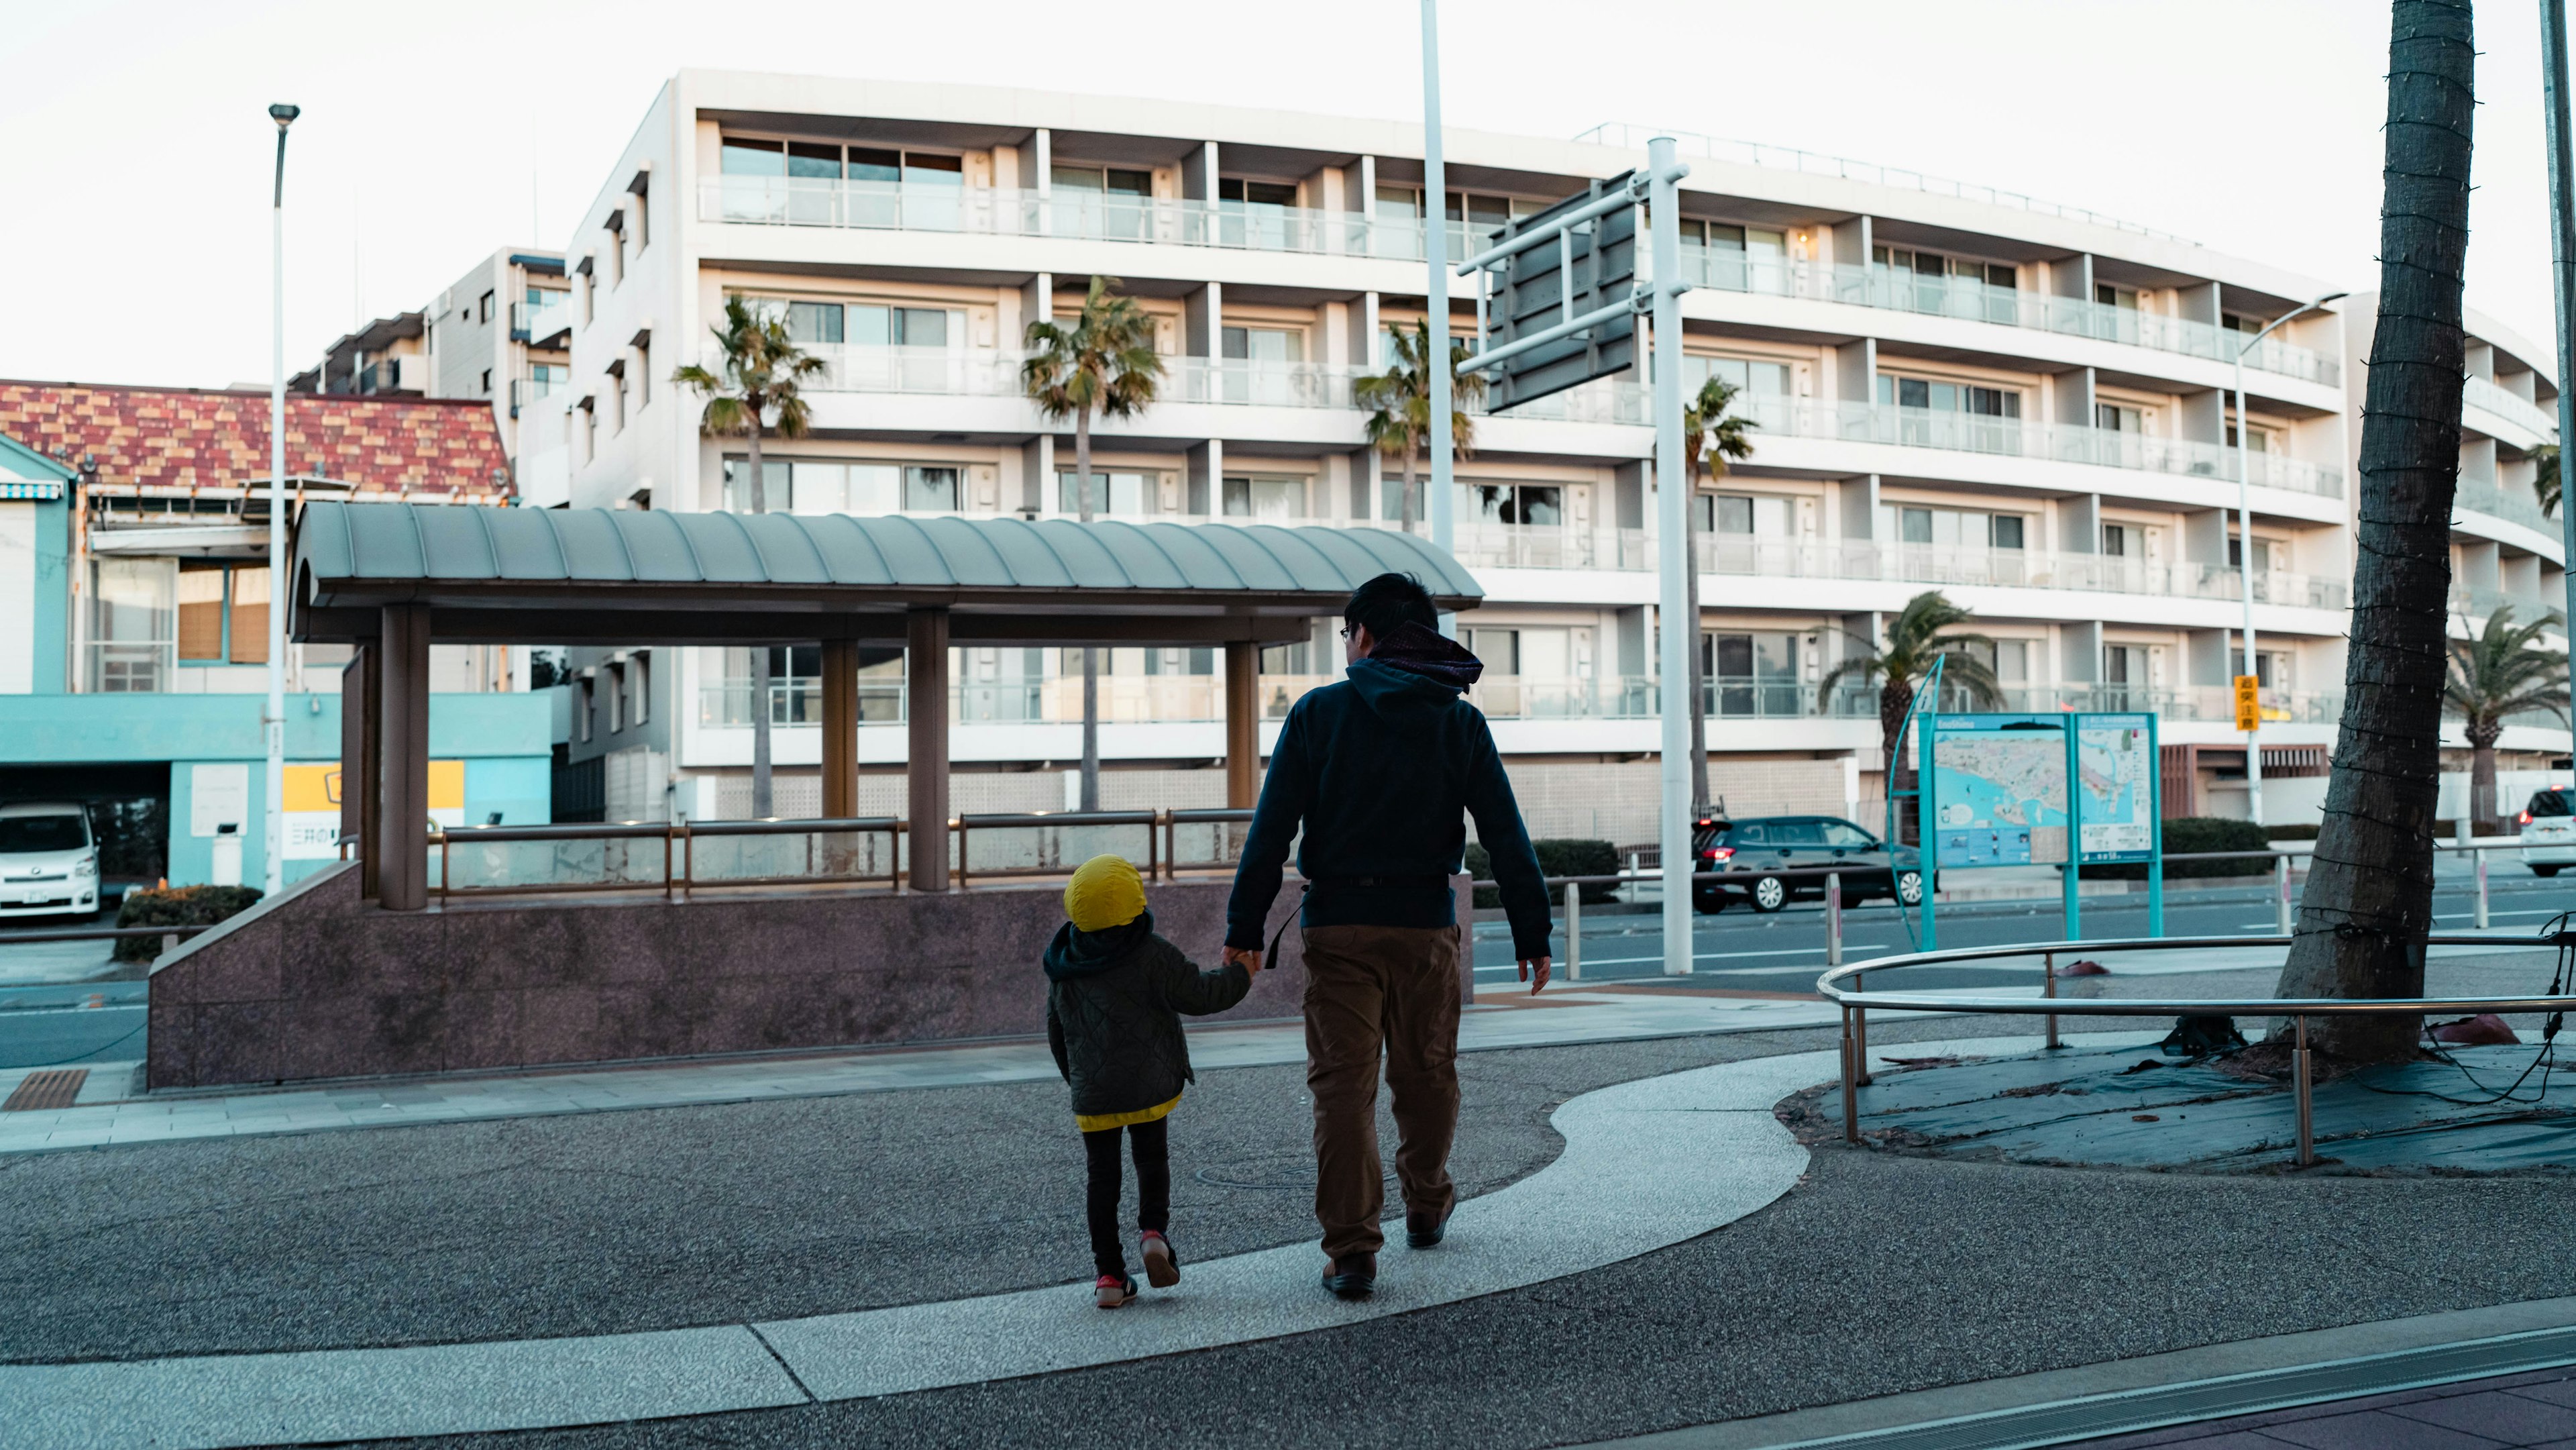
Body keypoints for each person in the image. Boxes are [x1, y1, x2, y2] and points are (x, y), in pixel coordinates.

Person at [1224, 572, 1552, 1301]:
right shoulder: (1457, 720)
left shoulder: (1318, 713)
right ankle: (1427, 1200)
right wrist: (1533, 928)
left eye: (1348, 634)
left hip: (1338, 927)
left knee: (1343, 1091)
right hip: (1426, 926)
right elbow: (1503, 830)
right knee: (1428, 1075)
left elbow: (1271, 830)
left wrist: (1244, 928)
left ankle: (1351, 1252)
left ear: (1365, 636)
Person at [1045, 853, 1255, 1308]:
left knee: (1101, 1179)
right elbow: (1201, 993)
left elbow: (1056, 1031)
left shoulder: (1065, 962)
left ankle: (1109, 1276)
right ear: (1133, 902)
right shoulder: (1151, 951)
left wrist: (1079, 1080)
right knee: (1151, 1158)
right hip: (1150, 1086)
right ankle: (1154, 1233)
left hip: (1093, 1095)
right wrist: (1243, 973)